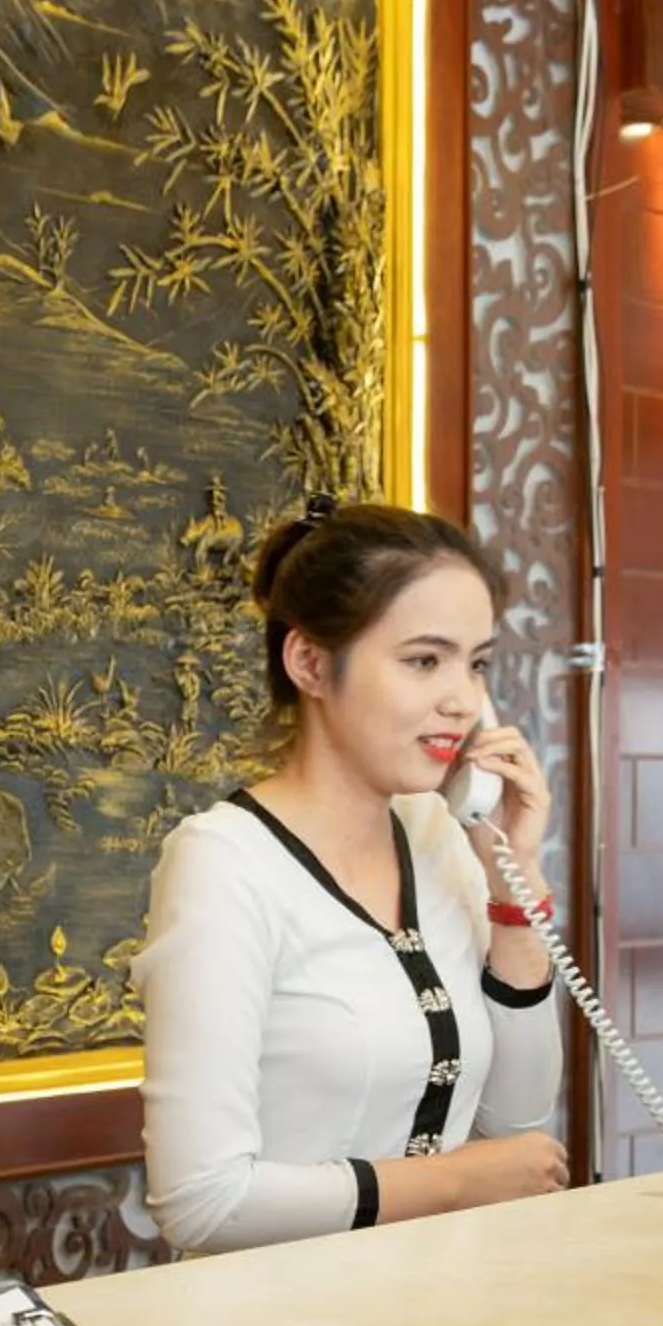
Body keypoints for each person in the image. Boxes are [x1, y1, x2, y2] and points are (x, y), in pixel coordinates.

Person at [135, 498, 567, 1253]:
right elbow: (202, 1201)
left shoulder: (443, 836)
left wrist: (514, 886)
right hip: (285, 1313)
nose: (463, 701)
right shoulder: (223, 863)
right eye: (424, 661)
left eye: (477, 664)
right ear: (309, 663)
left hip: (448, 1299)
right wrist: (458, 1180)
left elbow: (518, 1126)